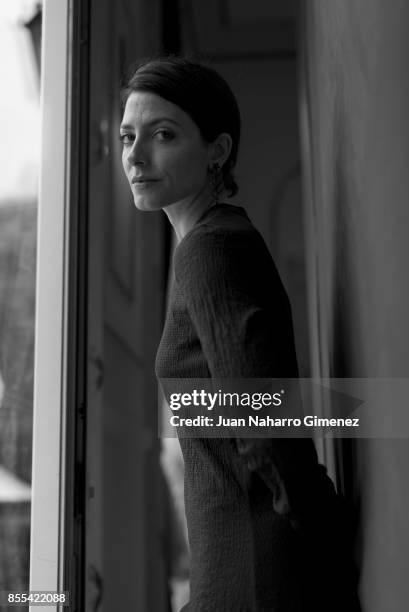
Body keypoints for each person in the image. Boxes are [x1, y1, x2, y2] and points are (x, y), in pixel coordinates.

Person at [120, 56, 360, 612]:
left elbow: (263, 418)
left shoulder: (209, 249)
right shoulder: (215, 240)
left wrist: (324, 537)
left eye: (162, 134)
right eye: (129, 136)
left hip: (255, 574)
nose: (135, 155)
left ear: (217, 150)